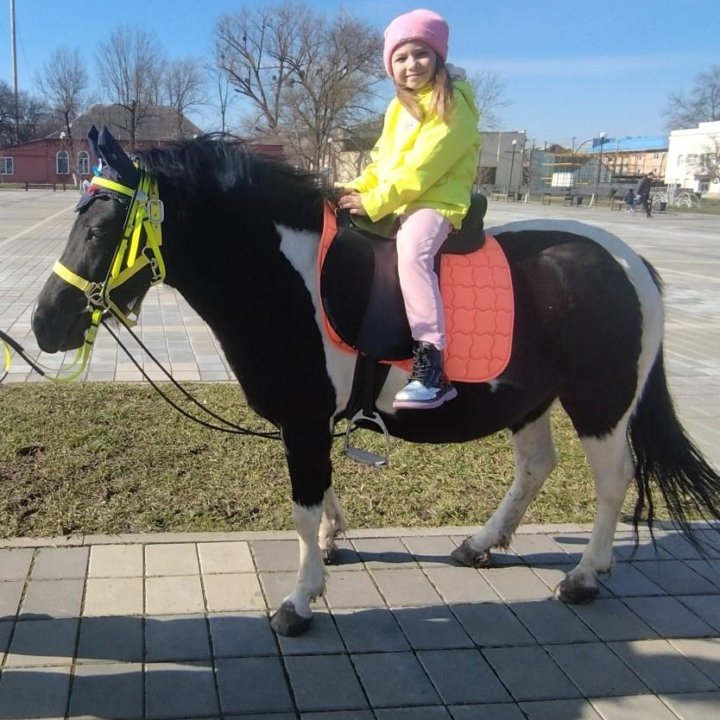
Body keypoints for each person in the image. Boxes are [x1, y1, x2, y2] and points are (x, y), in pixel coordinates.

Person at [338, 9, 480, 410]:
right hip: (405, 197)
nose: (410, 64)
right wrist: (355, 188)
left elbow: (426, 164)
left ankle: (431, 365)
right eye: (400, 58)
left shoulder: (452, 102)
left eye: (420, 53)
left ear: (437, 55)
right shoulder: (397, 109)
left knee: (412, 252)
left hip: (437, 200)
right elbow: (383, 161)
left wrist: (378, 201)